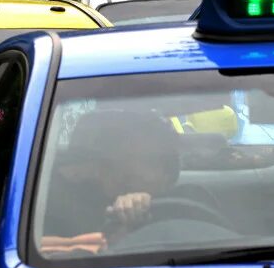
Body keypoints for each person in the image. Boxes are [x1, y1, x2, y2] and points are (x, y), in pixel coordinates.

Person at [40, 109, 183, 255]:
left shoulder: (185, 202)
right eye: (150, 161)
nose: (164, 174)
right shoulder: (45, 199)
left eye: (167, 164)